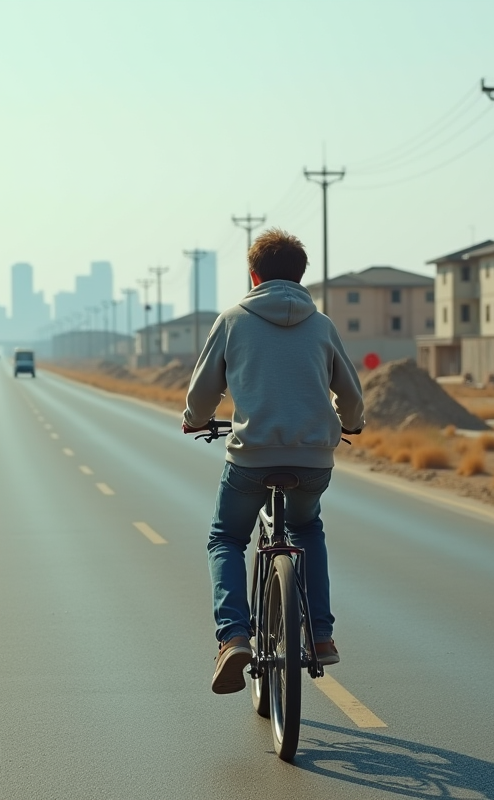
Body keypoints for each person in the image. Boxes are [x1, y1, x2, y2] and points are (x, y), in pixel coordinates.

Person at [181, 228, 365, 695]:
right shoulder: (322, 325)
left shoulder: (233, 320)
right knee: (307, 530)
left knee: (225, 538)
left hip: (251, 458)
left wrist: (196, 419)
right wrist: (352, 423)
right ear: (301, 275)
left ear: (253, 274)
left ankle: (234, 638)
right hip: (312, 460)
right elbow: (350, 394)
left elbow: (203, 393)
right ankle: (320, 636)